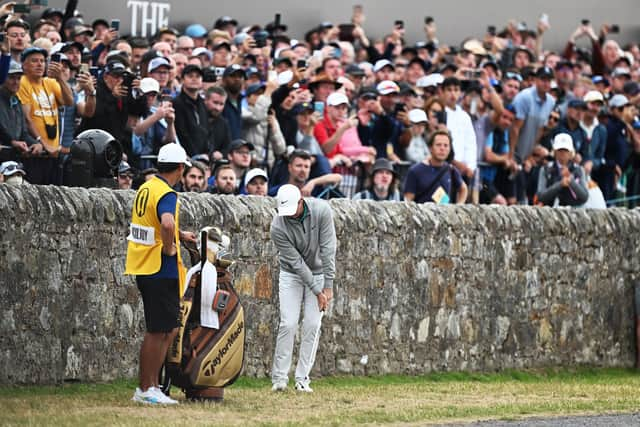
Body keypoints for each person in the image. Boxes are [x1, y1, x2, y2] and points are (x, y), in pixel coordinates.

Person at [125, 142, 196, 405]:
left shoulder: (146, 187)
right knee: (159, 331)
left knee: (165, 328)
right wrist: (169, 246)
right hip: (160, 267)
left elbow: (152, 224)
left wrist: (179, 234)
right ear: (180, 168)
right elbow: (166, 222)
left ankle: (152, 386)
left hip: (144, 265)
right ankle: (147, 388)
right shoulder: (167, 193)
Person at [270, 184, 336, 393]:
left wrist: (328, 286)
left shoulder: (322, 210)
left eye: (292, 210)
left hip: (319, 273)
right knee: (288, 323)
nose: (288, 216)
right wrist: (317, 291)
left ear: (301, 201)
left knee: (312, 325)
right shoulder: (277, 227)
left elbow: (328, 249)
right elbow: (297, 263)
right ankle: (279, 378)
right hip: (291, 273)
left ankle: (302, 379)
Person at [404, 130, 468, 204]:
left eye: (446, 145)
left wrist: (459, 207)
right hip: (422, 214)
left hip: (444, 214)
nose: (442, 148)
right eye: (438, 145)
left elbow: (463, 189)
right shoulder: (415, 171)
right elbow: (408, 201)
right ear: (430, 148)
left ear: (450, 149)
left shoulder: (451, 170)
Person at [536, 133, 589, 207]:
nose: (563, 153)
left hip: (574, 212)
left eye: (566, 150)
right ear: (554, 152)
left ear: (571, 152)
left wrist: (571, 181)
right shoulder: (545, 169)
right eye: (560, 150)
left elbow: (585, 197)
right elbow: (540, 196)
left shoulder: (579, 170)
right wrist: (560, 184)